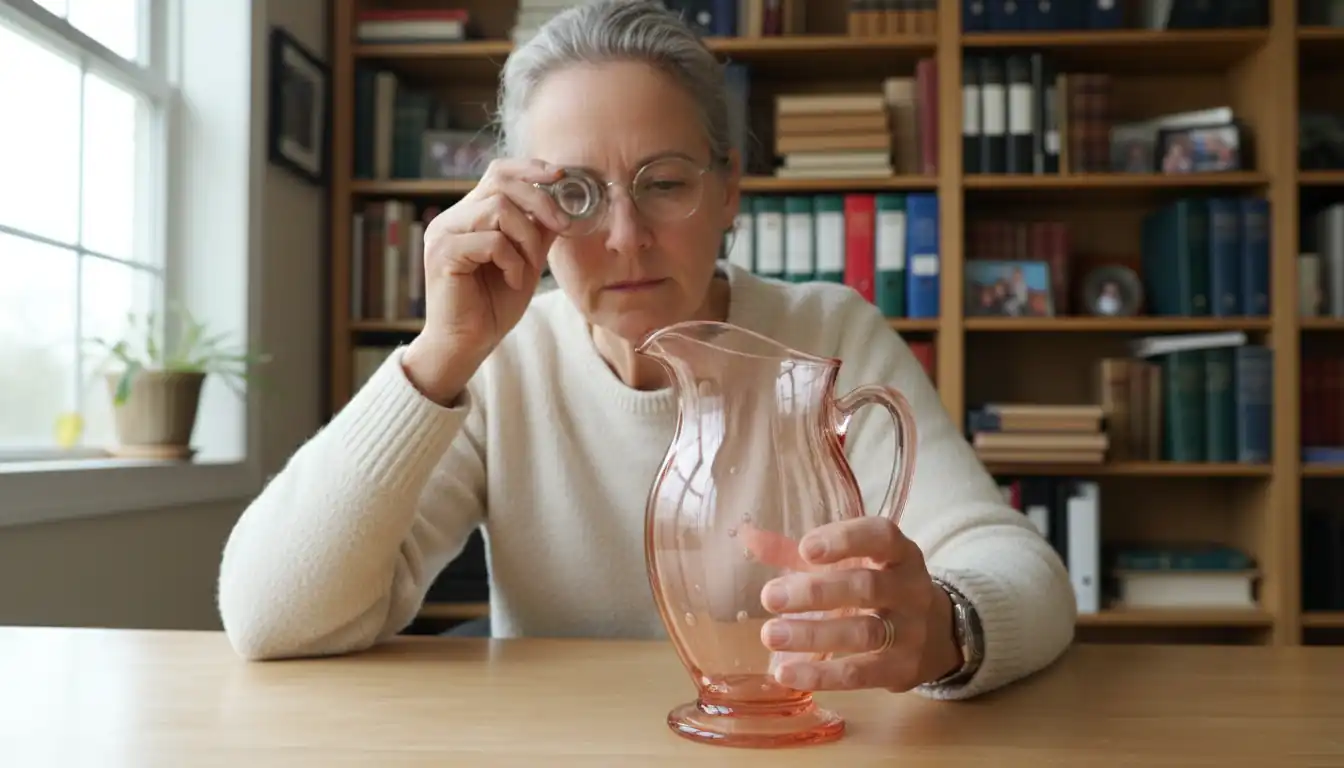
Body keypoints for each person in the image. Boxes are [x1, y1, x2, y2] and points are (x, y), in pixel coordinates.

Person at [217, 0, 1076, 701]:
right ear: (520, 202)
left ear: (730, 187)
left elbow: (1022, 573)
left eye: (665, 183)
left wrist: (948, 626)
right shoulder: (499, 362)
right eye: (577, 194)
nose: (626, 238)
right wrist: (438, 353)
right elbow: (271, 616)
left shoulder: (831, 334)